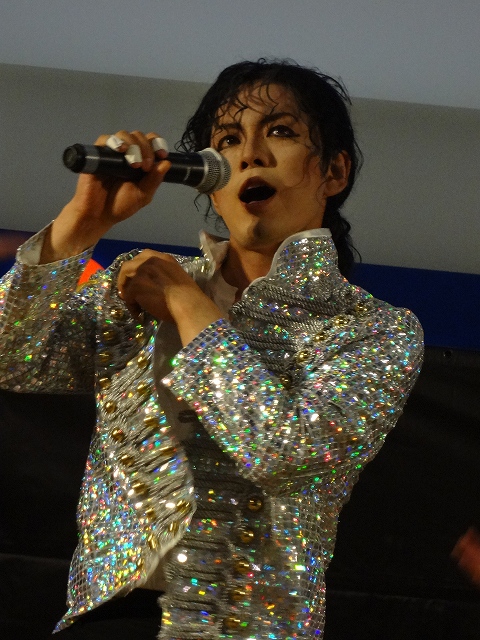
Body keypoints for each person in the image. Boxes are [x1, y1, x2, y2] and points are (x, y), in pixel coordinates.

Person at [0, 59, 423, 639]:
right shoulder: (140, 283)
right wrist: (82, 223)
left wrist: (187, 305)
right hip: (106, 618)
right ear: (209, 184)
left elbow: (286, 454)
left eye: (280, 131)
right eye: (227, 140)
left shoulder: (375, 329)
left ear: (333, 171)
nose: (249, 155)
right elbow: (11, 357)